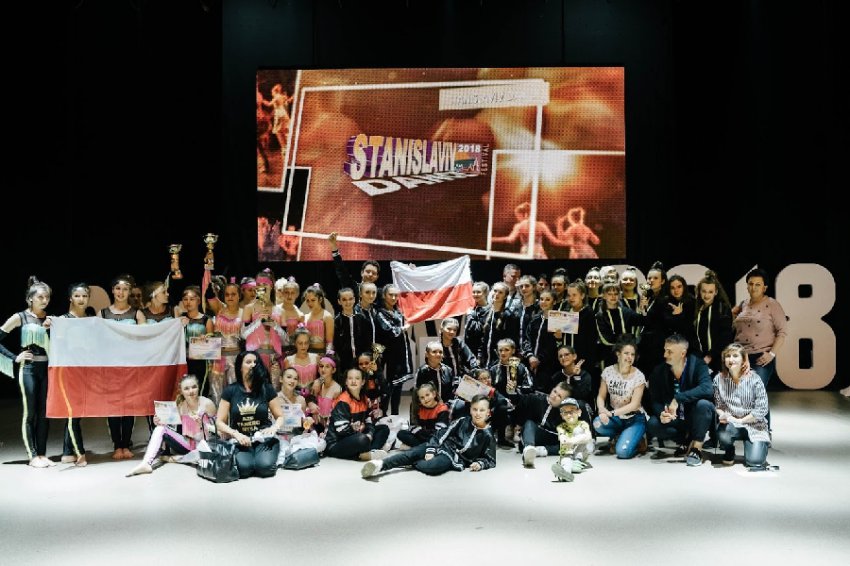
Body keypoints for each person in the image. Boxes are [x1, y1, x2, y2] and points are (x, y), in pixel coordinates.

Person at [360, 393, 496, 478]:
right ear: (470, 410)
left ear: (488, 413)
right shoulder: (462, 421)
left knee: (432, 467)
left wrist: (480, 464)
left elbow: (490, 459)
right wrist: (431, 449)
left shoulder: (488, 435)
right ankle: (380, 465)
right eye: (475, 409)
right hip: (440, 445)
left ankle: (410, 461)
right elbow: (442, 433)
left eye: (482, 410)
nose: (478, 413)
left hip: (452, 458)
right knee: (412, 453)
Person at [0, 276, 54, 468]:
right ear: (30, 298)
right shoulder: (20, 317)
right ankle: (32, 456)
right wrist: (15, 357)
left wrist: (51, 329)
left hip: (46, 369)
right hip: (28, 370)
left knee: (44, 413)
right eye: (40, 297)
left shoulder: (50, 319)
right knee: (30, 413)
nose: (45, 300)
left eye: (47, 297)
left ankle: (42, 454)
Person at [127, 374, 217, 476]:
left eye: (194, 387)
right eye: (186, 389)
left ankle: (175, 458)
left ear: (198, 387)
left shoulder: (207, 403)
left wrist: (203, 425)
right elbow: (170, 427)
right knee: (160, 428)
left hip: (207, 446)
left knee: (200, 456)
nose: (191, 391)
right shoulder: (181, 406)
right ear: (181, 391)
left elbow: (219, 431)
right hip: (189, 444)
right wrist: (158, 421)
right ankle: (146, 463)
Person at [732, 267, 788, 430]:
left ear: (764, 287)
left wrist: (772, 353)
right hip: (740, 356)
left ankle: (764, 430)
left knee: (756, 393)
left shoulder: (772, 305)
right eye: (751, 284)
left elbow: (782, 331)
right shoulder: (743, 304)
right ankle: (744, 429)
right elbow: (733, 325)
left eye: (758, 284)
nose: (753, 287)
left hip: (761, 357)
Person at [646, 334, 714, 466]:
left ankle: (696, 448)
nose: (665, 355)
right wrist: (662, 414)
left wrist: (678, 398)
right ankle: (685, 441)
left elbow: (707, 389)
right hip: (676, 418)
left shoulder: (698, 364)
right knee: (653, 424)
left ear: (683, 353)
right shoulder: (659, 370)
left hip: (694, 415)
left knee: (704, 405)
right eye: (665, 350)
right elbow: (655, 400)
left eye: (670, 351)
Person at [215, 350, 283, 478]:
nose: (253, 365)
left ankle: (265, 454)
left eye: (255, 362)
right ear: (240, 367)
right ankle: (252, 457)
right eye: (248, 362)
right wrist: (236, 434)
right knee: (244, 469)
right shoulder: (230, 390)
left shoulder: (266, 388)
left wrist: (274, 427)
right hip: (240, 439)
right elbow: (219, 422)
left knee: (265, 468)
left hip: (263, 438)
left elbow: (280, 416)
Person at [101, 273, 147, 460]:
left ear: (129, 292)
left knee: (129, 406)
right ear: (113, 290)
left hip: (131, 367)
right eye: (118, 288)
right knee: (113, 406)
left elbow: (146, 339)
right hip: (110, 367)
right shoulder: (103, 314)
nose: (121, 292)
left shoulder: (137, 314)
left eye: (125, 289)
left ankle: (126, 444)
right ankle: (117, 445)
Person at [713, 343, 771, 468]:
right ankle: (729, 450)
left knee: (755, 462)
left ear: (743, 360)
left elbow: (762, 409)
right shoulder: (718, 379)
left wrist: (741, 420)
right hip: (732, 424)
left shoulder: (755, 379)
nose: (731, 359)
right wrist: (722, 415)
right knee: (723, 433)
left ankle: (758, 445)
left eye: (735, 356)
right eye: (728, 356)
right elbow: (719, 405)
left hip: (755, 425)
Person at [593, 335, 647, 459]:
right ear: (618, 354)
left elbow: (634, 405)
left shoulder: (639, 376)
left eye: (632, 354)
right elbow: (601, 396)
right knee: (597, 423)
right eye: (626, 353)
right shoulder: (608, 371)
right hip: (617, 418)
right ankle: (619, 436)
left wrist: (611, 413)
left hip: (634, 418)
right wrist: (601, 410)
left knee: (622, 453)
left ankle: (639, 440)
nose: (630, 357)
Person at [59, 282, 93, 466]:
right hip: (69, 371)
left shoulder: (91, 320)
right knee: (73, 412)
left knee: (76, 413)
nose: (81, 299)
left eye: (85, 296)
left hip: (86, 371)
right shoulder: (63, 320)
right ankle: (80, 453)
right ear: (70, 298)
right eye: (77, 296)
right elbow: (59, 347)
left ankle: (67, 451)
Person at [324, 368, 390, 461]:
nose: (353, 381)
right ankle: (368, 451)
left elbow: (369, 421)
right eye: (350, 378)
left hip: (356, 435)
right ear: (346, 382)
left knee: (383, 428)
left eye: (357, 378)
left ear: (362, 382)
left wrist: (370, 434)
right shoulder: (342, 401)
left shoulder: (364, 399)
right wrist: (362, 434)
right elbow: (342, 431)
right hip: (337, 443)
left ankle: (371, 451)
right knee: (362, 439)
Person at [375, 283, 413, 415]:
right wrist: (403, 328)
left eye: (395, 295)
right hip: (388, 356)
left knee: (398, 386)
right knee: (387, 388)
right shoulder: (380, 313)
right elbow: (390, 331)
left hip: (400, 354)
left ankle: (395, 415)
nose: (393, 298)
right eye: (390, 295)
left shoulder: (398, 312)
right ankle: (383, 415)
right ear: (384, 296)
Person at [516, 381, 573, 468]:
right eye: (555, 391)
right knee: (529, 423)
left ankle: (538, 451)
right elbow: (519, 401)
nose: (554, 396)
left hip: (552, 440)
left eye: (559, 396)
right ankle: (529, 449)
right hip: (534, 436)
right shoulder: (537, 399)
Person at [491, 202, 568, 259]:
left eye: (518, 216)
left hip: (527, 252)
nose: (517, 218)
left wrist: (493, 239)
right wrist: (569, 243)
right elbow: (555, 241)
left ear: (525, 214)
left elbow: (510, 239)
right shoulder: (541, 225)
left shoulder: (520, 225)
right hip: (539, 253)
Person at [694, 269, 734, 373]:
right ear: (699, 291)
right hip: (701, 359)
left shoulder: (722, 308)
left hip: (719, 360)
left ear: (716, 292)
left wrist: (710, 356)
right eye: (704, 291)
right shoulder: (697, 308)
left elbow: (725, 336)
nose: (706, 295)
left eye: (710, 292)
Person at [551, 398, 594, 482]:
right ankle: (565, 474)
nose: (569, 415)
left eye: (572, 411)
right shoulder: (561, 427)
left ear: (579, 412)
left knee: (578, 430)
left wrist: (572, 441)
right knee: (566, 461)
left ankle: (576, 462)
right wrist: (565, 440)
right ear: (562, 415)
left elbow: (588, 436)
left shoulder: (583, 424)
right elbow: (562, 438)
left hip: (580, 454)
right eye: (565, 412)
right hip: (567, 454)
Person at [396, 382, 450, 449]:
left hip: (435, 437)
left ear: (434, 394)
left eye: (427, 395)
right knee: (401, 433)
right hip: (423, 436)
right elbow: (413, 427)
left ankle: (420, 447)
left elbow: (439, 432)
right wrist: (419, 431)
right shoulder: (419, 409)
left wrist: (419, 431)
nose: (425, 399)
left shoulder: (442, 409)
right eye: (422, 397)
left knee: (436, 438)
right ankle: (423, 447)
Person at [302, 283, 334, 355]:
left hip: (321, 354)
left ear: (320, 300)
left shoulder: (327, 316)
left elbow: (329, 342)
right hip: (307, 355)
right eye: (307, 300)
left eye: (313, 300)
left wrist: (327, 357)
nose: (310, 303)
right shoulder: (305, 317)